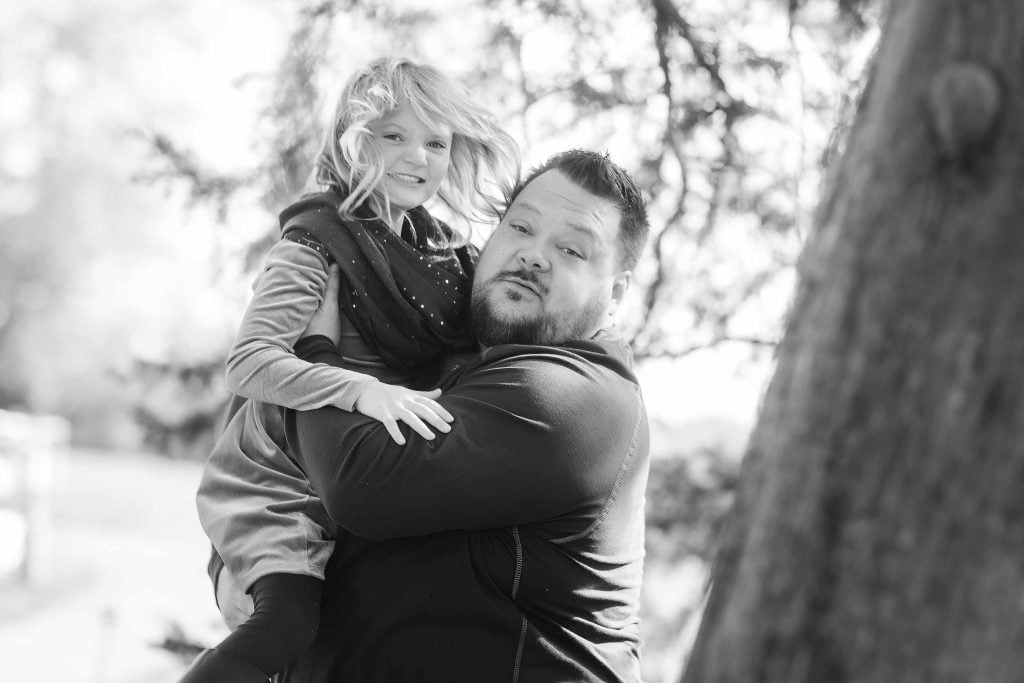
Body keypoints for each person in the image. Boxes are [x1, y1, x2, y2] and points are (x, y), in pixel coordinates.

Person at [182, 57, 519, 682]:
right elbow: (250, 363)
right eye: (394, 136)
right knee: (286, 625)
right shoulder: (316, 242)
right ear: (353, 139)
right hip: (282, 476)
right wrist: (361, 389)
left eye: (436, 142)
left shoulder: (446, 256)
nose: (417, 157)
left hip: (358, 480)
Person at [280, 149, 651, 682]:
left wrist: (312, 347)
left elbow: (357, 481)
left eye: (572, 249)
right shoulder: (447, 363)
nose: (534, 255)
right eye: (520, 227)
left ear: (615, 293)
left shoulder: (578, 398)